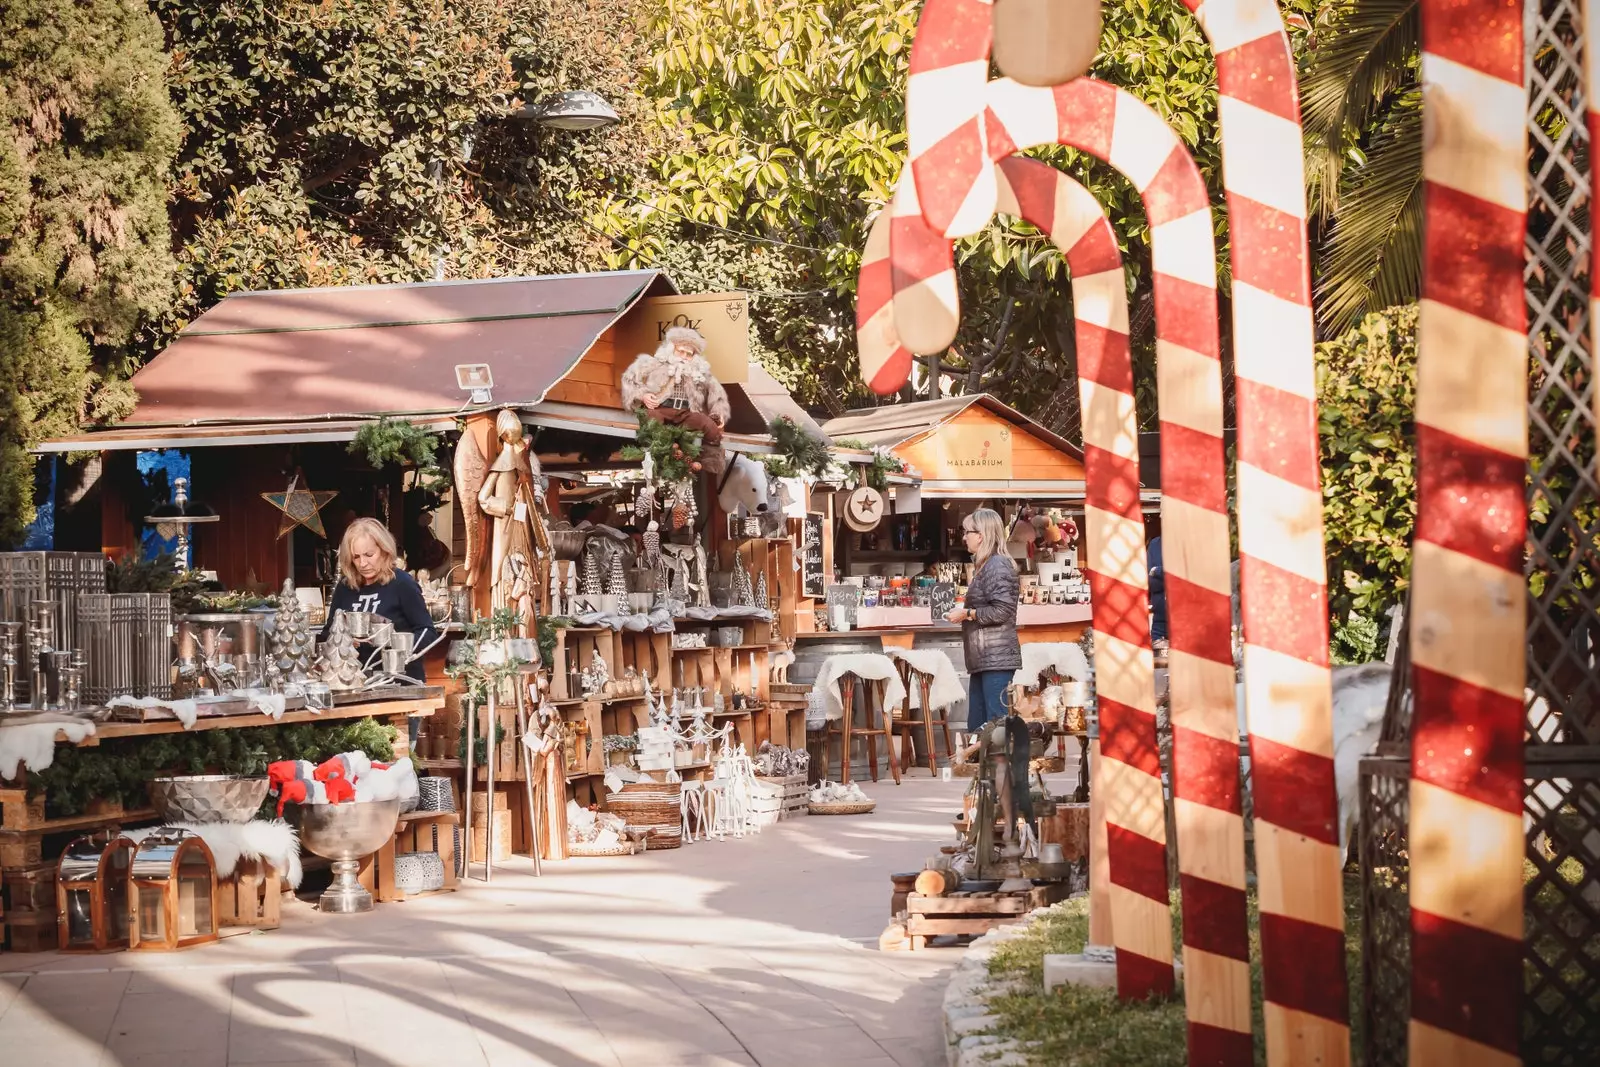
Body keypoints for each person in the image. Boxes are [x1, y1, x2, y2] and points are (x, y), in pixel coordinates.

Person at [321, 517, 440, 695]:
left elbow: (427, 632)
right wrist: (343, 642)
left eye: (369, 555)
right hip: (355, 686)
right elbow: (328, 633)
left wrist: (396, 645)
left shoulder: (401, 583)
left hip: (401, 686)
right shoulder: (345, 588)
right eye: (356, 557)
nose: (363, 563)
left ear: (384, 551)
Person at [944, 508, 1022, 730]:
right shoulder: (988, 565)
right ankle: (985, 765)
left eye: (967, 531)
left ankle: (1000, 765)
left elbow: (1002, 611)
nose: (964, 537)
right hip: (985, 659)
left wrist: (967, 613)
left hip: (995, 659)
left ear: (981, 535)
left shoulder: (997, 565)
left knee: (995, 727)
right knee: (980, 727)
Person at [1148, 535, 1168, 643]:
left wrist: (1158, 571)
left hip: (1185, 622)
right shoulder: (1154, 544)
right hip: (1160, 626)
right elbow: (1150, 583)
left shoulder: (1188, 540)